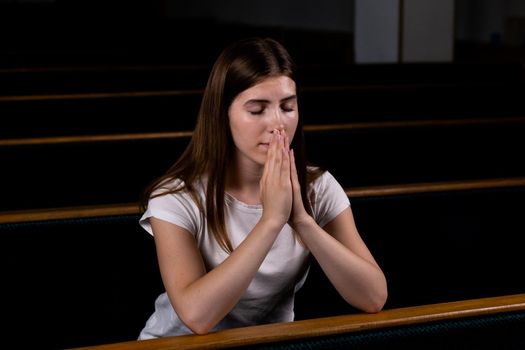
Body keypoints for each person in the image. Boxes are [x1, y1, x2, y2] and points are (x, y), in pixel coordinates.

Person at [138, 37, 387, 339]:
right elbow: (197, 317)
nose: (277, 124)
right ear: (222, 114)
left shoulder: (317, 186)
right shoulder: (176, 197)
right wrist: (271, 221)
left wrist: (302, 221)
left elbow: (373, 297)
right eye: (257, 110)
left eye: (287, 107)